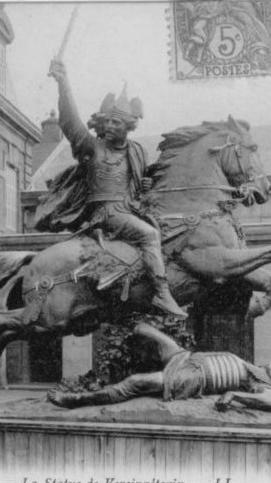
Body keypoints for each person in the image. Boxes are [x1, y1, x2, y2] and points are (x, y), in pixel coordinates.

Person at [36, 59, 187, 318]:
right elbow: (71, 122)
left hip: (129, 210)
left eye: (117, 123)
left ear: (128, 127)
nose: (110, 126)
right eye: (108, 122)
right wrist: (64, 84)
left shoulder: (137, 150)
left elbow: (138, 183)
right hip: (106, 213)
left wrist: (144, 185)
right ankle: (162, 294)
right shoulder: (91, 147)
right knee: (150, 236)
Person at [47, 322, 271, 413]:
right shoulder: (251, 367)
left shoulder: (259, 385)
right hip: (190, 359)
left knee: (136, 382)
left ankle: (77, 399)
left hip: (194, 377)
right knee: (145, 329)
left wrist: (234, 395)